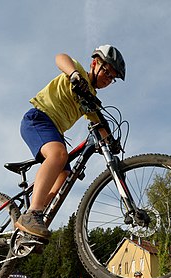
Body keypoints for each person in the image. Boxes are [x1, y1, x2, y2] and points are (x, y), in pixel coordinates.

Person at [14, 45, 126, 239]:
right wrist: (74, 75)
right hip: (38, 119)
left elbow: (98, 123)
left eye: (111, 78)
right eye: (106, 72)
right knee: (59, 155)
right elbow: (61, 58)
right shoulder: (79, 73)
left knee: (66, 175)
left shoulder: (91, 100)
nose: (107, 80)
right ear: (94, 63)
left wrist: (111, 141)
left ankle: (33, 220)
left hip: (55, 132)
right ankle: (32, 212)